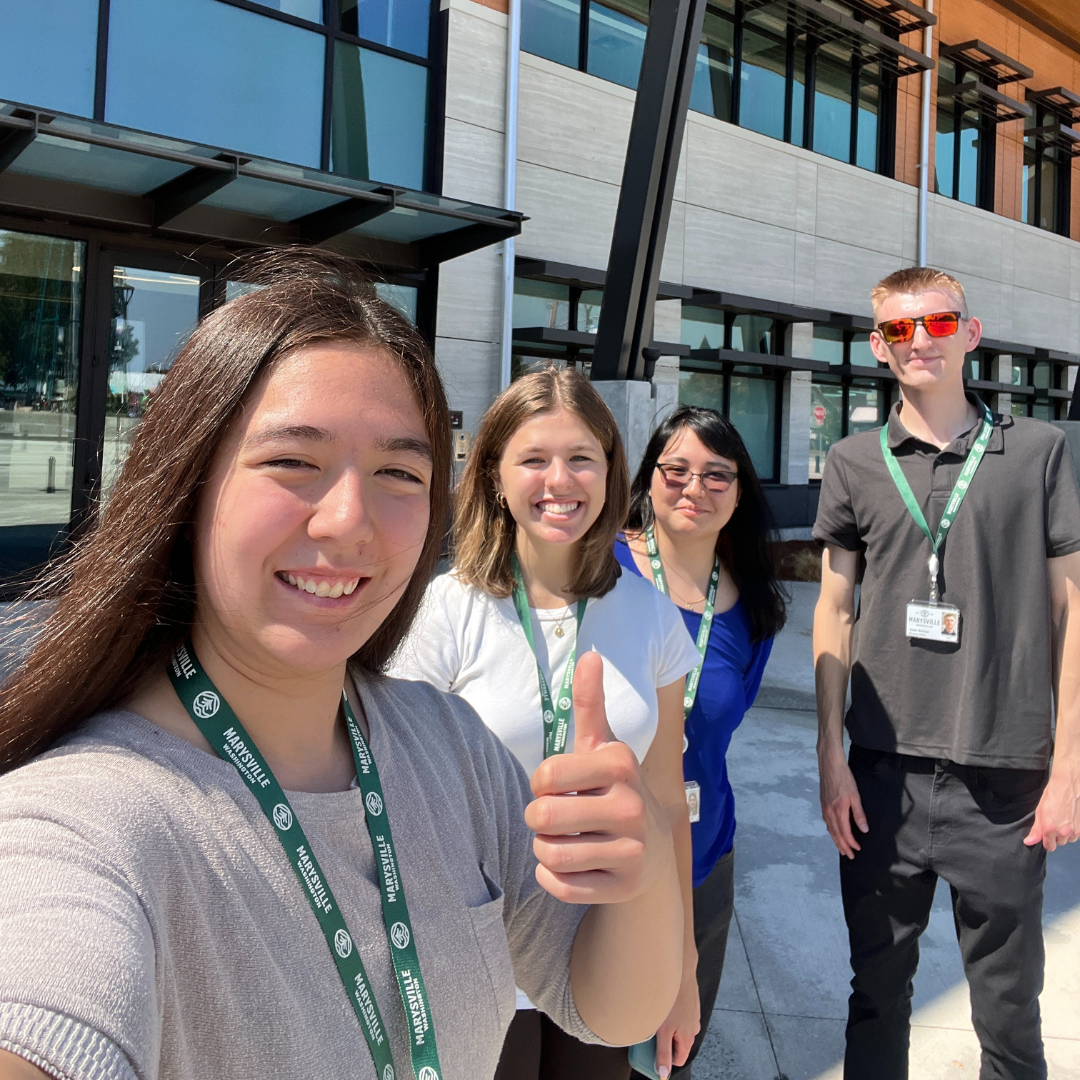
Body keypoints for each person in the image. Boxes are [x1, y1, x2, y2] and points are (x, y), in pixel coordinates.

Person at [0, 252, 688, 1080]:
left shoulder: (453, 748)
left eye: (399, 472)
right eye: (293, 462)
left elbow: (607, 1007)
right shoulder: (80, 821)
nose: (349, 520)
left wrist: (646, 865)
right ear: (186, 482)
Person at [389, 367, 703, 1080]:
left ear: (609, 473)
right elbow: (404, 800)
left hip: (609, 940)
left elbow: (665, 803)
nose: (559, 480)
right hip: (479, 943)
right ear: (495, 477)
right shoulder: (446, 611)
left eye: (580, 458)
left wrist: (679, 960)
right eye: (533, 458)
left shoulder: (651, 615)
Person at [813, 266, 1080, 1080]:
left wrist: (1069, 767)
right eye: (899, 328)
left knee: (1008, 1013)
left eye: (937, 322)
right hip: (881, 777)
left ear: (970, 333)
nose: (919, 340)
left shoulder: (1036, 451)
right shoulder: (854, 460)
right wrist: (829, 757)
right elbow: (834, 609)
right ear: (878, 345)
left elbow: (1071, 611)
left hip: (1004, 781)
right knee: (875, 995)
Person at [616, 406, 786, 1078]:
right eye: (677, 470)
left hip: (703, 855)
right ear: (649, 479)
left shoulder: (755, 609)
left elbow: (719, 731)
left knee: (669, 1060)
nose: (695, 488)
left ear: (740, 493)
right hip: (605, 858)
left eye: (717, 475)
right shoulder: (600, 573)